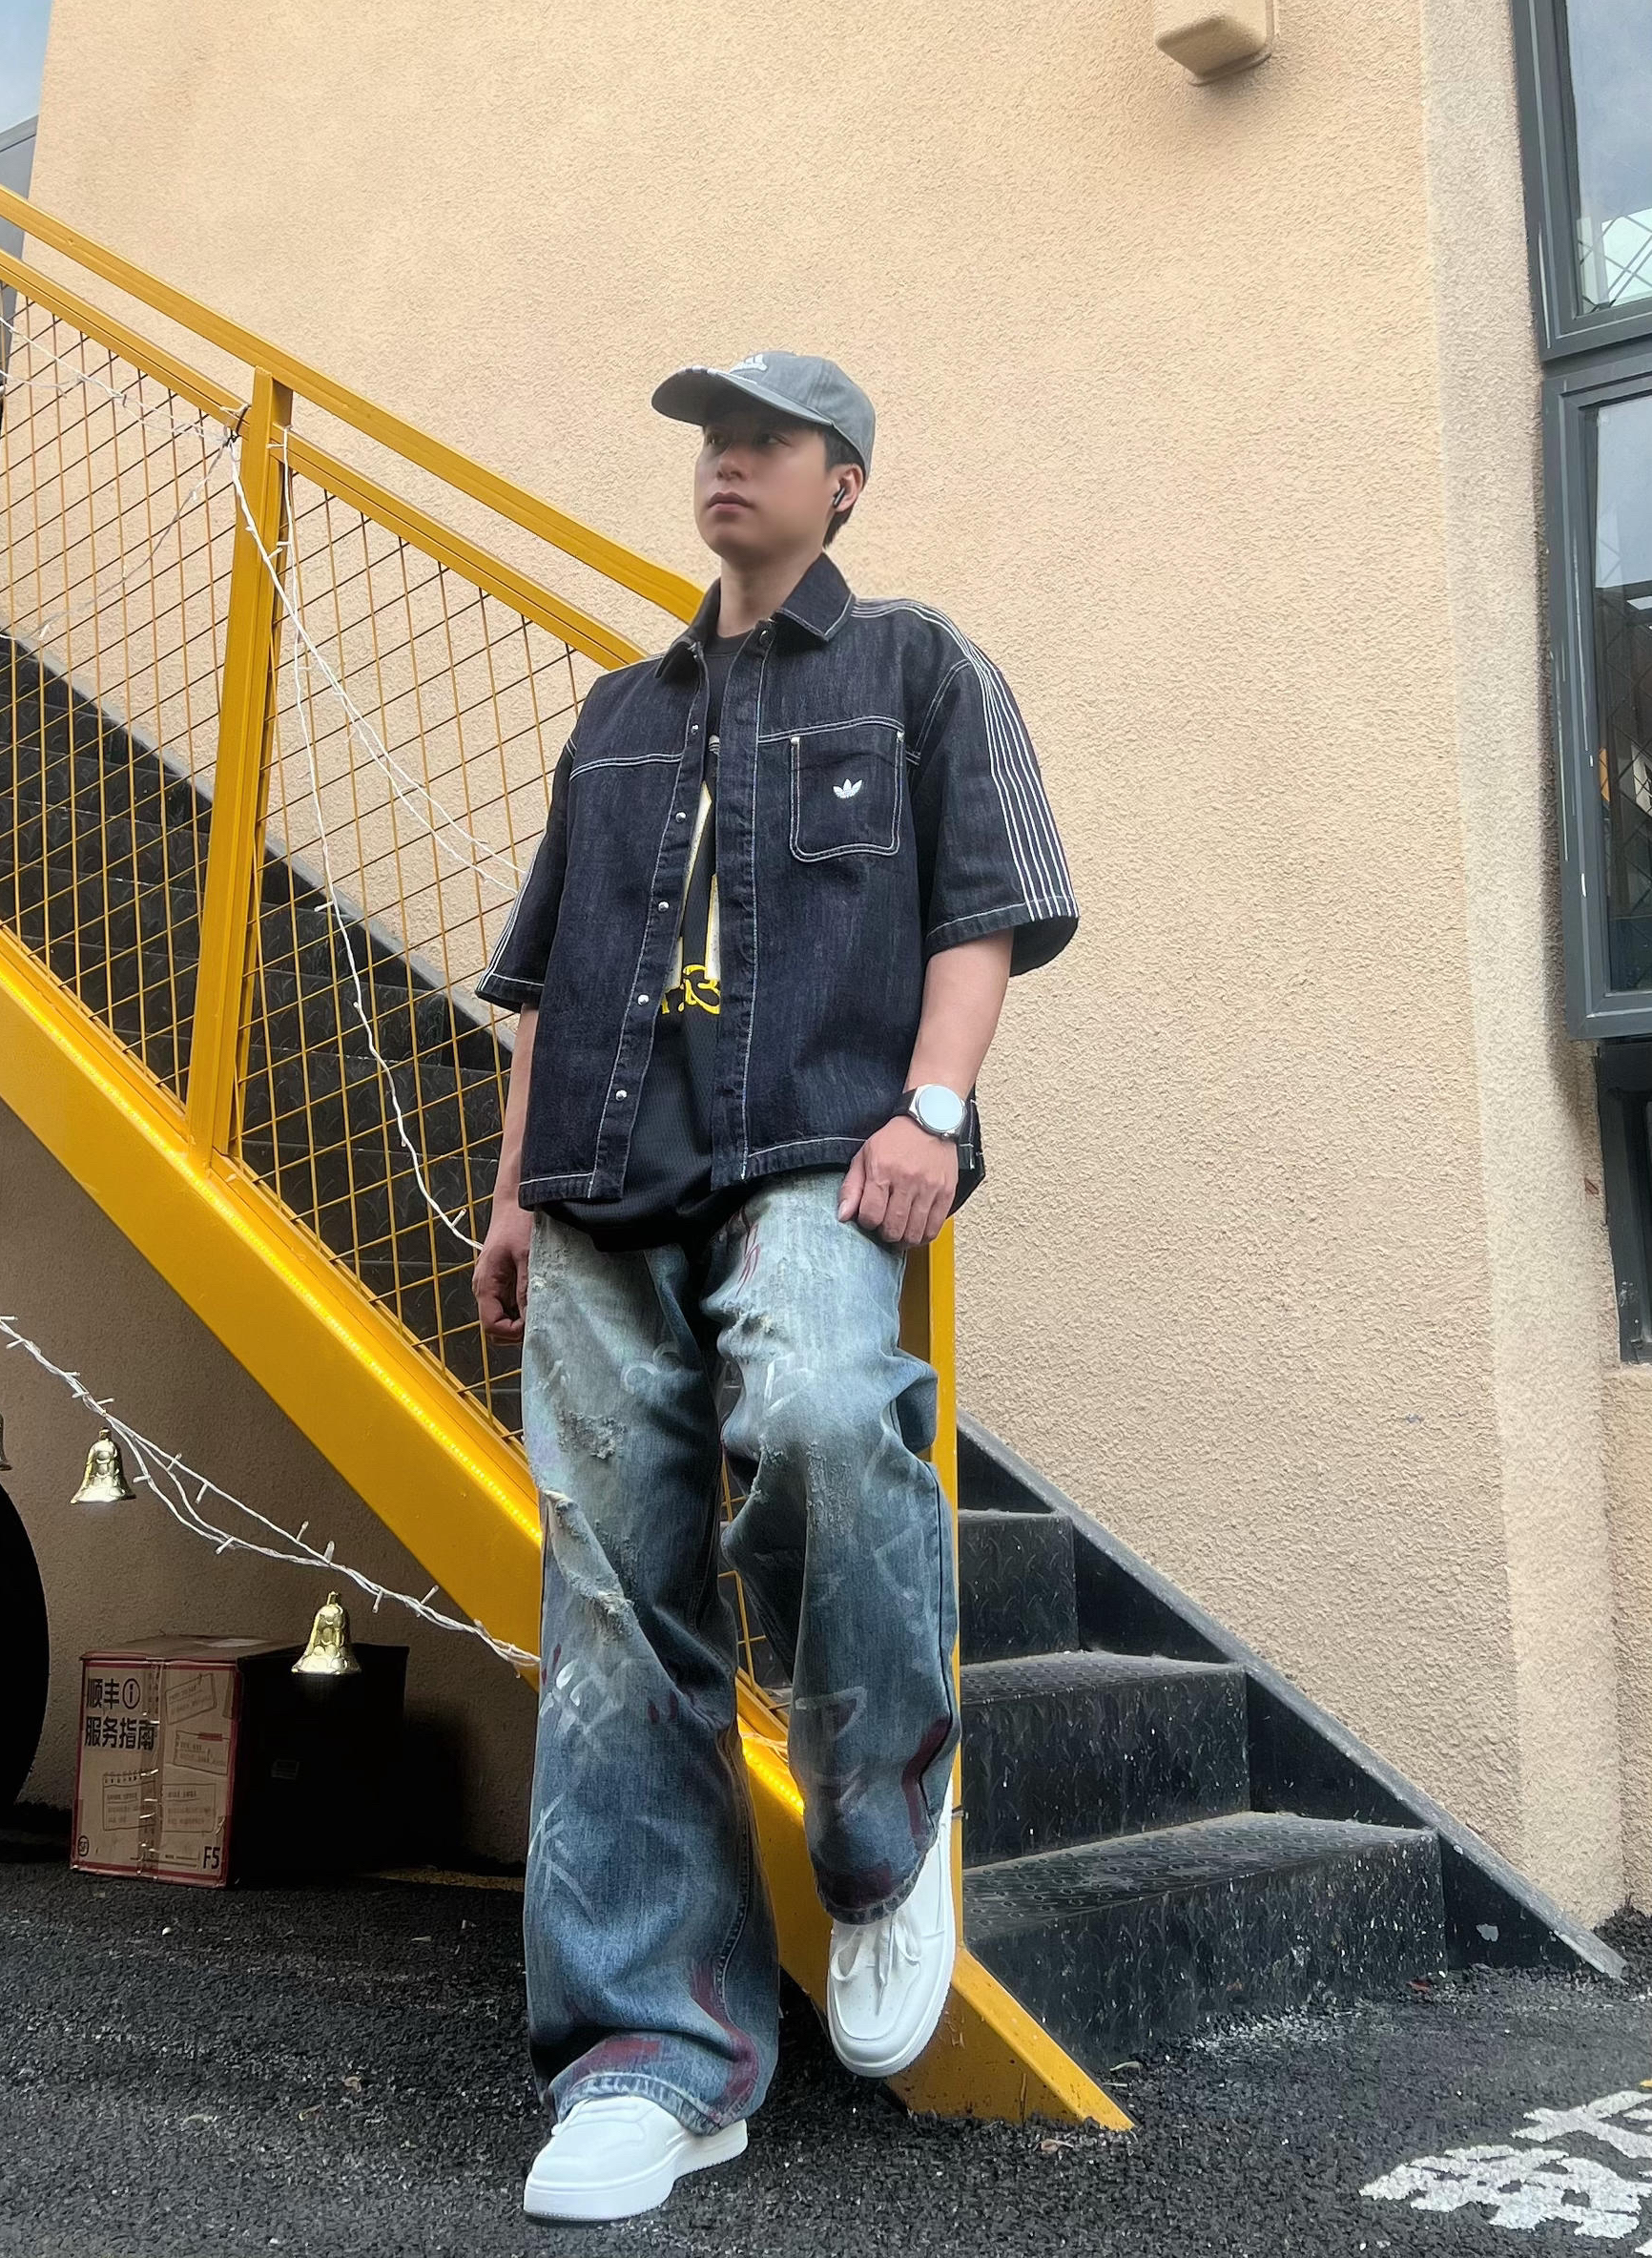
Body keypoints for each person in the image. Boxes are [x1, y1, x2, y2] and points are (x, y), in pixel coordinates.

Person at [473, 350, 1077, 2226]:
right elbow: (548, 985)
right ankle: (651, 2056)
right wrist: (509, 1194)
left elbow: (983, 909)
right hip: (597, 1181)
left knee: (821, 1412)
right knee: (612, 1600)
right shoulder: (618, 714)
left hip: (822, 1145)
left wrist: (934, 1108)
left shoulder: (915, 667)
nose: (726, 460)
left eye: (767, 438)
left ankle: (881, 1827)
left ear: (845, 482)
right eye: (709, 437)